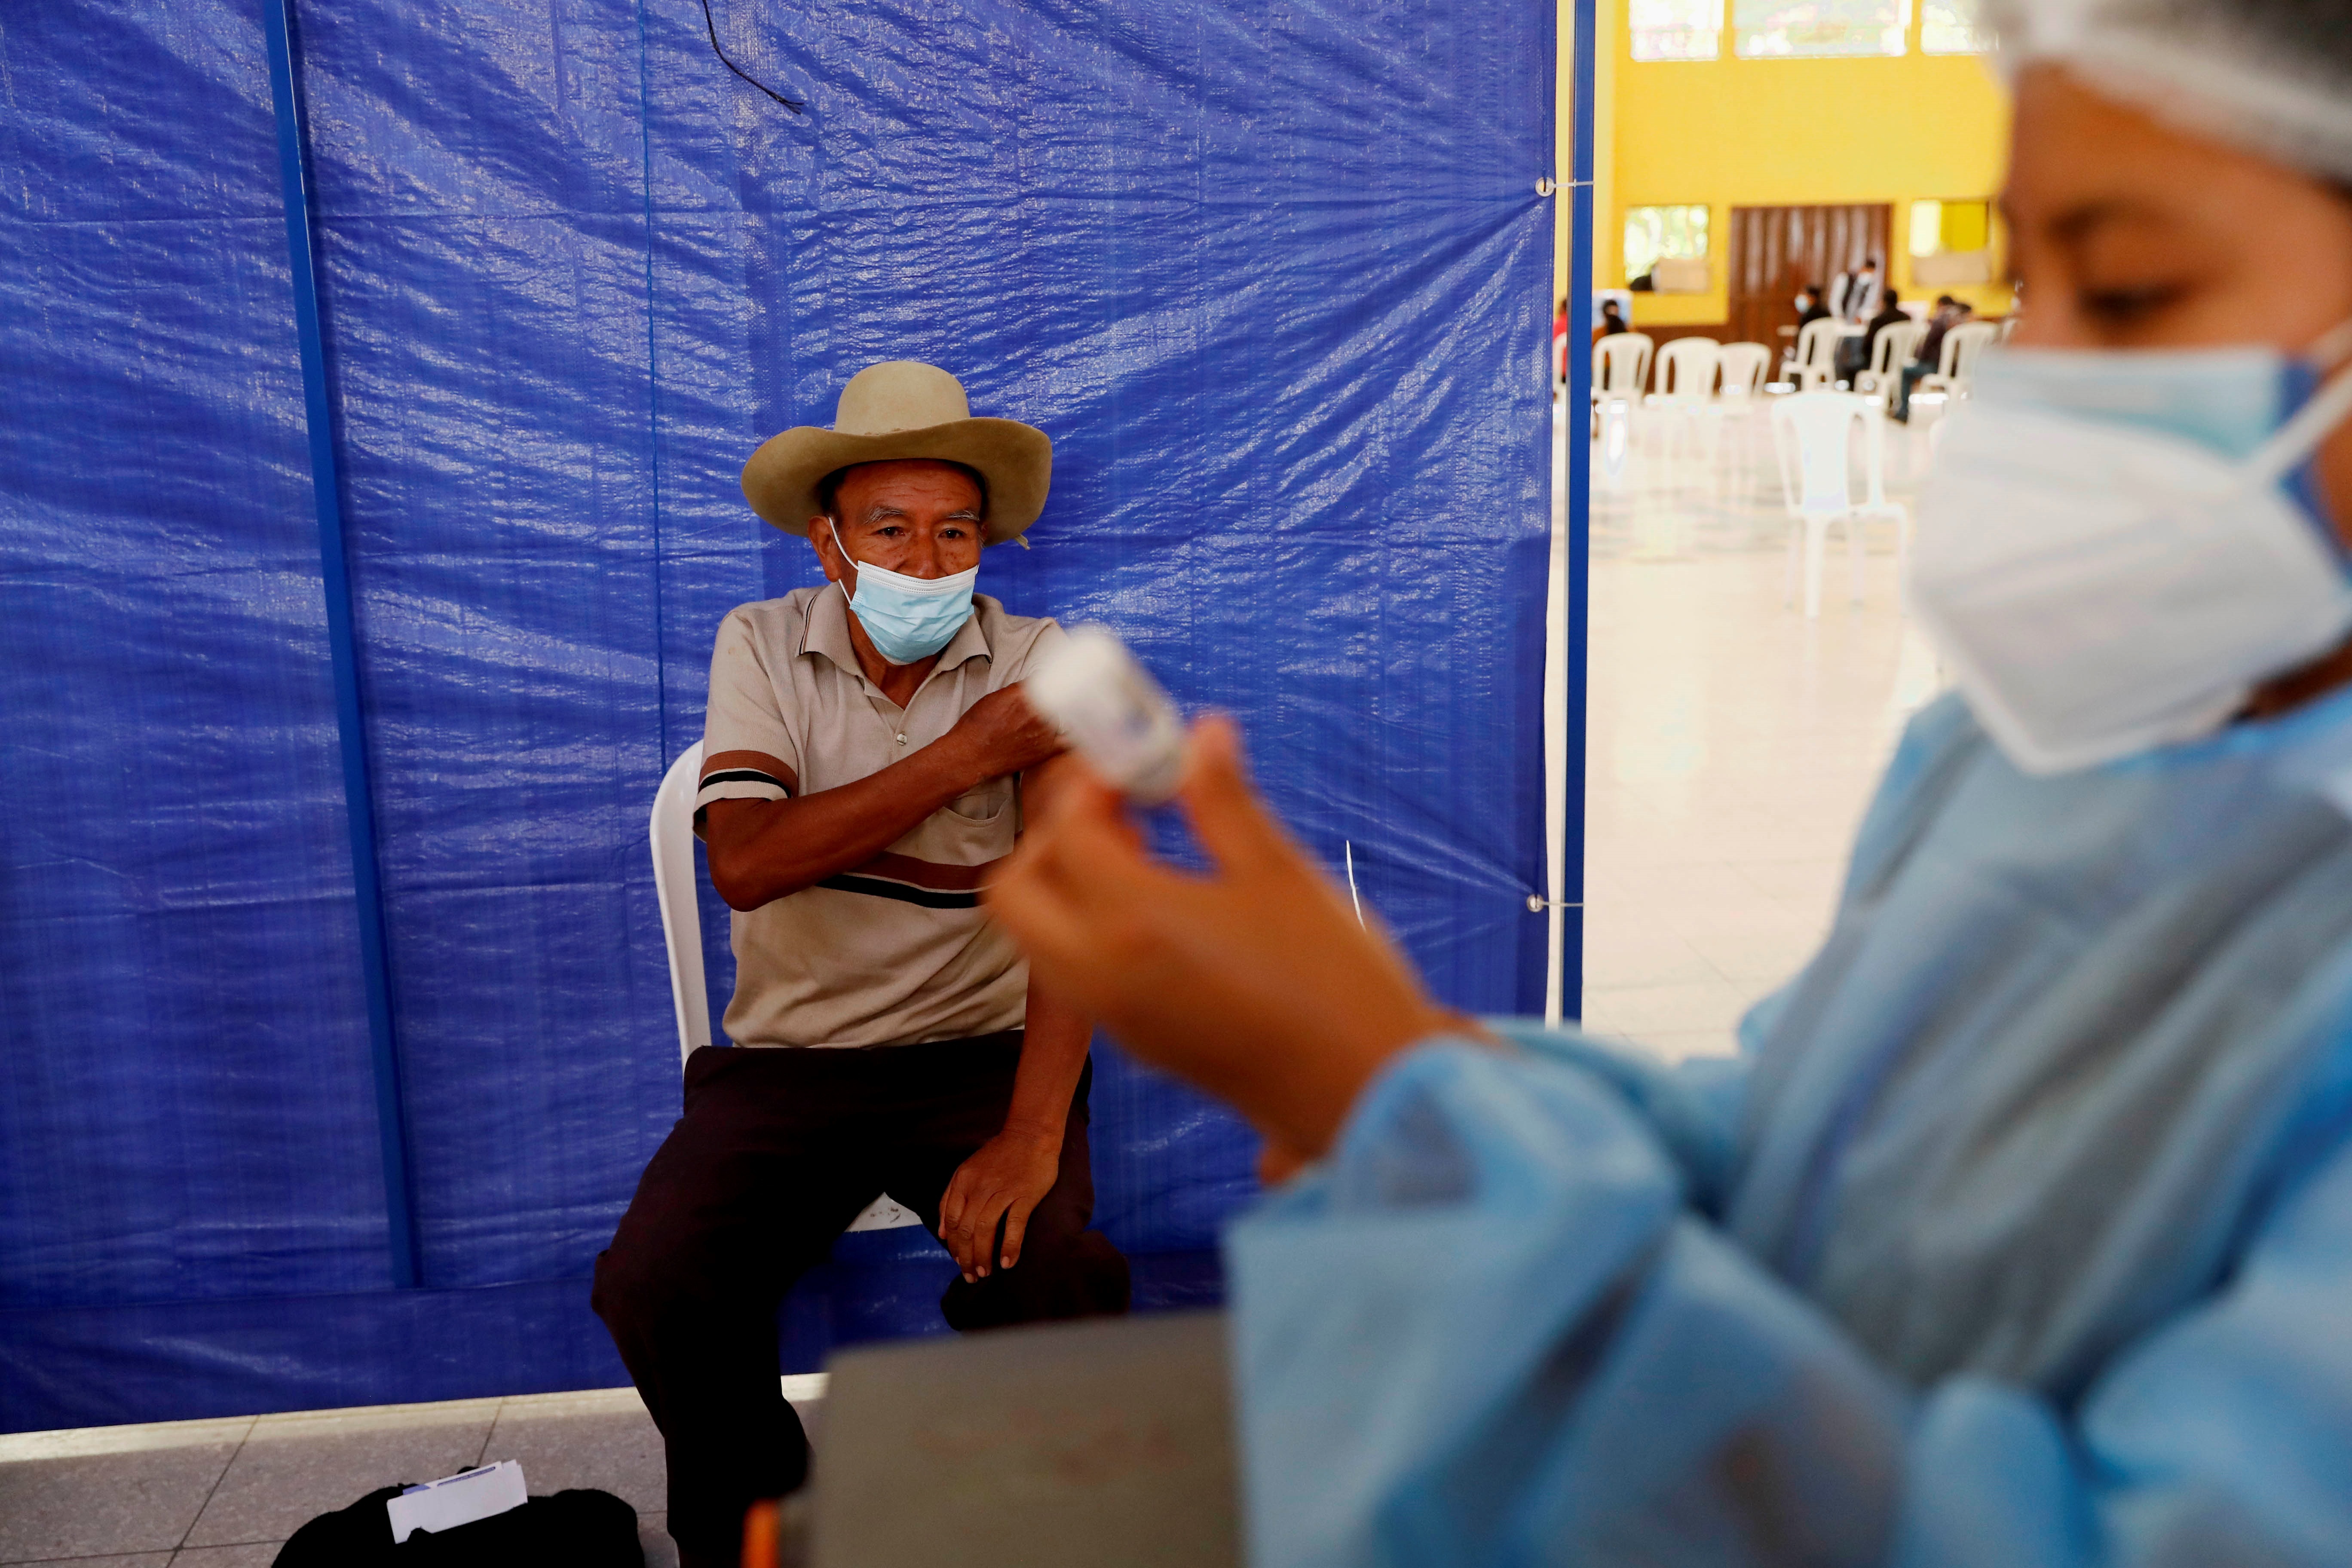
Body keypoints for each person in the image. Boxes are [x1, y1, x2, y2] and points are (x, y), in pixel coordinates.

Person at [988, 0, 2352, 1560]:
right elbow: (1801, 1150)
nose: (2026, 377)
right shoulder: (2015, 751)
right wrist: (1413, 1067)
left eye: (2126, 290)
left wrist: (1380, 1099)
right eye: (2024, 282)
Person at [593, 360, 1130, 1568]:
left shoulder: (1046, 659)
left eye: (956, 533)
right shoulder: (764, 646)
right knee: (655, 1280)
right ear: (830, 544)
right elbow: (746, 862)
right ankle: (765, 1528)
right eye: (891, 530)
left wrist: (1034, 1135)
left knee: (1056, 1273)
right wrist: (965, 754)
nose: (927, 562)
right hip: (793, 1064)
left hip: (983, 1065)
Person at [1897, 294, 1975, 420]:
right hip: (1965, 370)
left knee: (1906, 371)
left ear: (1941, 306)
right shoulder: (1969, 322)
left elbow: (1928, 345)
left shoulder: (1941, 320)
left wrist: (1919, 359)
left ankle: (1903, 412)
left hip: (1938, 368)